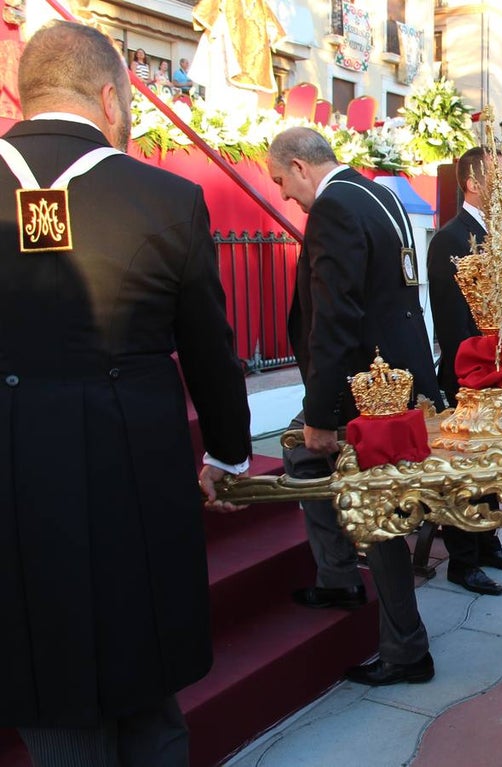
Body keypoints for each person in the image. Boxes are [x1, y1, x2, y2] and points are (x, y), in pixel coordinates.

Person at [1, 21, 252, 766]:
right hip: (133, 471)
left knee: (45, 683)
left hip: (13, 478)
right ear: (111, 97)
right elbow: (211, 349)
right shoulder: (166, 197)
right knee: (148, 682)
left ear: (25, 92)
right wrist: (231, 456)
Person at [269, 126, 438, 687]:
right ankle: (340, 576)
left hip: (363, 391)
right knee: (307, 465)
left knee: (375, 511)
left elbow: (335, 318)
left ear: (299, 165)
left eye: (283, 184)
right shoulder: (377, 193)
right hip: (396, 378)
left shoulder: (334, 208)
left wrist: (320, 414)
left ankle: (405, 648)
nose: (287, 198)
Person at [426, 146, 502, 596]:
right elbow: (455, 325)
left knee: (492, 465)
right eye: (500, 179)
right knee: (464, 468)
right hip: (470, 374)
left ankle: (488, 542)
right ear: (473, 182)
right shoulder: (451, 239)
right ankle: (462, 561)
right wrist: (475, 373)